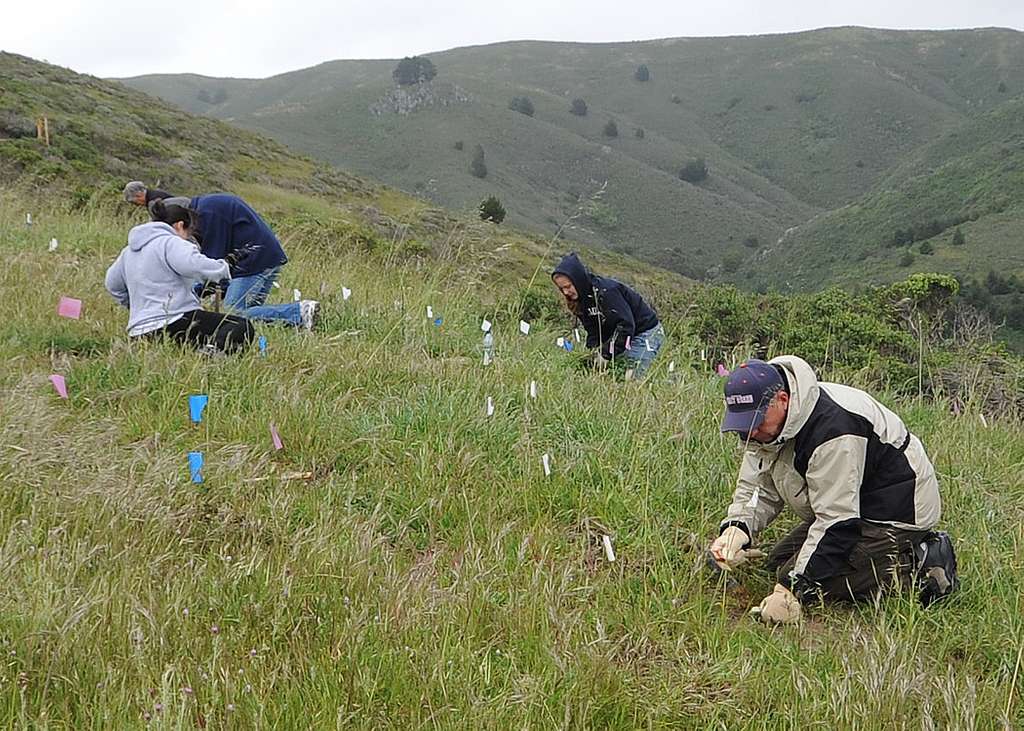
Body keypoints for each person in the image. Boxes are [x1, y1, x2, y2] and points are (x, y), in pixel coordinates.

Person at [709, 356, 959, 624]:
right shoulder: (762, 429)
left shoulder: (834, 429)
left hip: (895, 510)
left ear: (782, 400)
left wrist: (792, 591)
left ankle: (918, 567)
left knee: (815, 583)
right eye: (744, 422)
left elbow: (837, 521)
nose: (751, 430)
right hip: (848, 503)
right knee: (778, 565)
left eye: (757, 420)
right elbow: (757, 487)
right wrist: (737, 529)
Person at [105, 199, 254, 354]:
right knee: (240, 326)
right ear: (180, 225)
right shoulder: (171, 242)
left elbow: (112, 284)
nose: (188, 238)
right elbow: (195, 265)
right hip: (174, 321)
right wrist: (225, 266)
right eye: (189, 233)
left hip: (139, 331)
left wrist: (138, 306)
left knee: (204, 333)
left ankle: (203, 351)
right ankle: (211, 355)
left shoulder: (128, 252)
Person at [160, 193, 318, 330]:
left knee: (233, 313)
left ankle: (299, 312)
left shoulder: (208, 213)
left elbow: (213, 265)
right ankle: (301, 318)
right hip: (264, 257)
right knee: (249, 312)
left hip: (253, 261)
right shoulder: (206, 207)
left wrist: (195, 292)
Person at [551, 252, 664, 377]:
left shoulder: (606, 292)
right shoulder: (580, 300)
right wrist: (592, 352)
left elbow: (626, 325)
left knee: (629, 376)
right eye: (561, 288)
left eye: (568, 286)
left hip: (644, 332)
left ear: (578, 280)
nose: (566, 292)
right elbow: (593, 331)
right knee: (602, 372)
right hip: (620, 336)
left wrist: (605, 354)